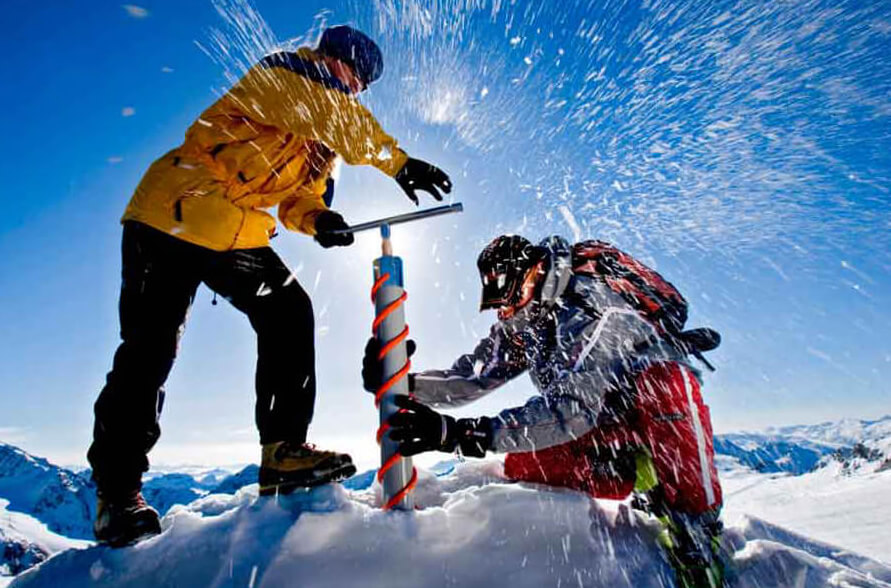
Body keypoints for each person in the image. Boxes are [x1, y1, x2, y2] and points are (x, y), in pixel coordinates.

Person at [88, 25, 452, 546]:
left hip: (232, 228)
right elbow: (328, 112)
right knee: (149, 349)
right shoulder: (286, 75)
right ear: (329, 57)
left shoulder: (327, 134)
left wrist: (319, 219)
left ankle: (282, 451)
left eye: (359, 84)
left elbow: (300, 197)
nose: (350, 87)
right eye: (348, 73)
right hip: (171, 211)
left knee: (289, 310)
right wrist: (396, 161)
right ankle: (116, 496)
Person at [363, 235, 725, 587]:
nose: (505, 312)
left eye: (510, 299)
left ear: (535, 271)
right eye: (498, 305)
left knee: (665, 383)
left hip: (643, 415)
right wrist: (404, 383)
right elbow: (471, 377)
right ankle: (635, 472)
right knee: (521, 462)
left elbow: (570, 411)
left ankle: (695, 532)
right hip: (599, 427)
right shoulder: (527, 319)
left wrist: (462, 433)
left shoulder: (590, 303)